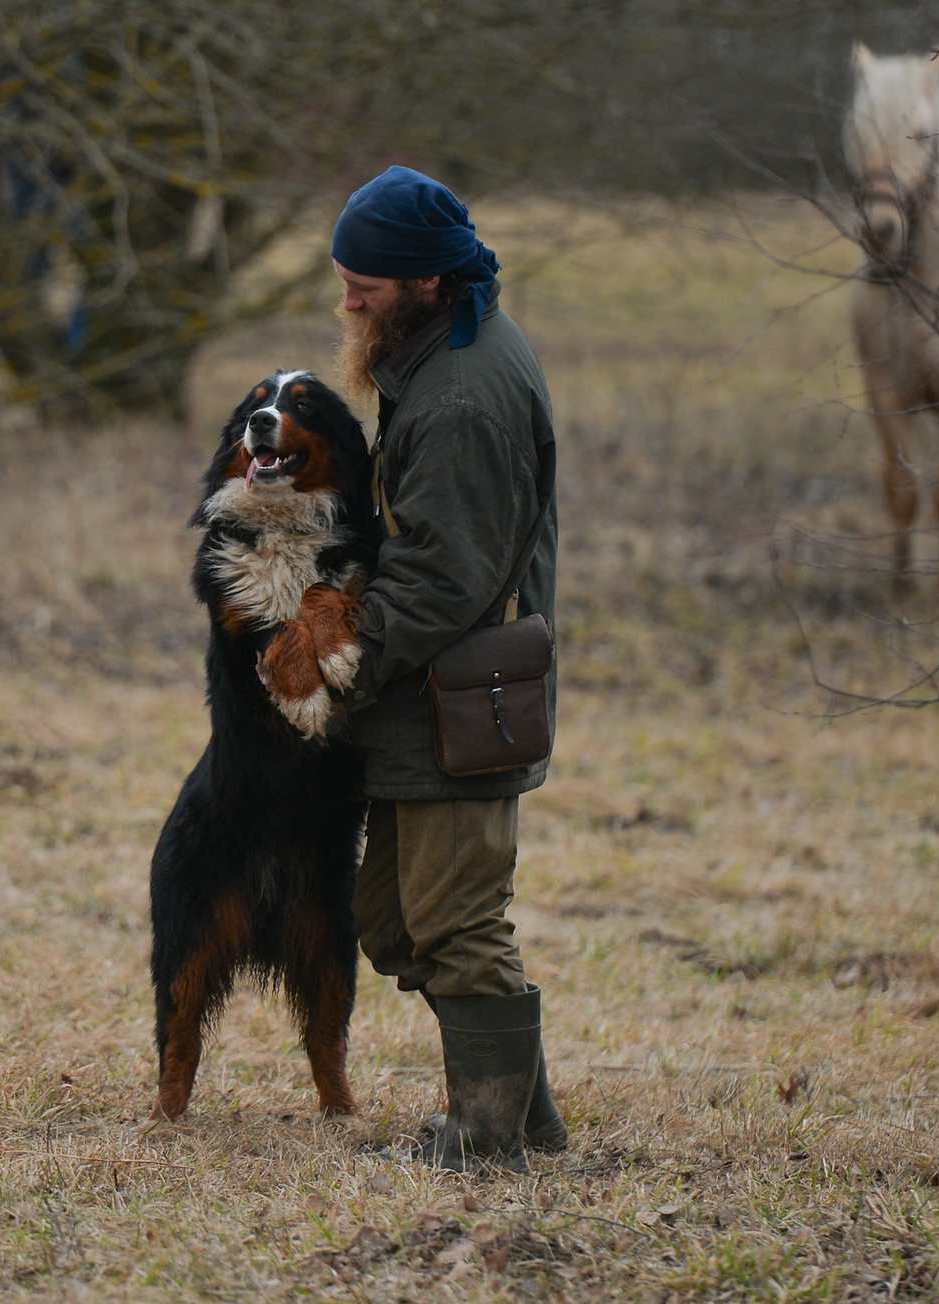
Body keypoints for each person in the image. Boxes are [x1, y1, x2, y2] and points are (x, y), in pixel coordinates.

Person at [263, 164, 563, 1172]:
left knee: (453, 924)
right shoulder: (441, 349)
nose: (346, 301)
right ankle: (525, 1118)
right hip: (435, 694)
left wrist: (331, 659)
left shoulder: (462, 397)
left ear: (431, 281)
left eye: (369, 286)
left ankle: (488, 1142)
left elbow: (444, 579)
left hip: (461, 696)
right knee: (394, 920)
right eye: (344, 277)